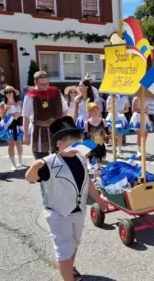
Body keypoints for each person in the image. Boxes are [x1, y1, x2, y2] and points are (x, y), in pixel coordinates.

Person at [25, 116, 106, 281]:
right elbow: (29, 177)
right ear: (58, 143)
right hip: (58, 213)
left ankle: (69, 267)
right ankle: (67, 275)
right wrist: (35, 166)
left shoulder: (81, 159)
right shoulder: (49, 163)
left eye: (76, 143)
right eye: (69, 143)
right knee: (63, 248)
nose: (74, 148)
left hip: (78, 210)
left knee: (74, 244)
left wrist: (99, 199)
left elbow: (87, 181)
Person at [23, 71, 68, 160]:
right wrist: (26, 136)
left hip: (56, 129)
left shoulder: (56, 92)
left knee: (59, 157)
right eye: (41, 84)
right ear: (35, 82)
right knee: (41, 159)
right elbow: (26, 117)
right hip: (38, 131)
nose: (44, 86)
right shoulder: (30, 96)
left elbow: (64, 111)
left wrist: (64, 129)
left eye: (46, 83)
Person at [0, 86, 24, 171]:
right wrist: (6, 111)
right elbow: (2, 117)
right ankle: (13, 164)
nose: (8, 94)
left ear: (13, 93)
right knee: (11, 145)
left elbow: (24, 113)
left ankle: (20, 161)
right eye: (6, 92)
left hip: (18, 125)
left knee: (19, 143)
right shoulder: (3, 104)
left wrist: (19, 114)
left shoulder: (19, 103)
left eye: (10, 92)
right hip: (9, 126)